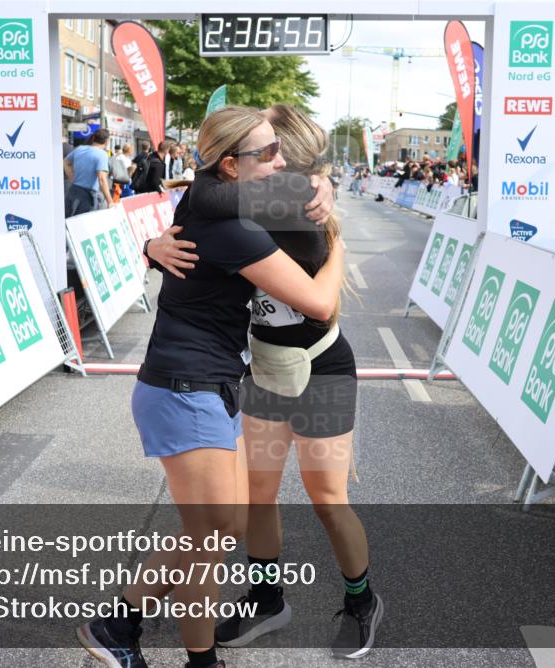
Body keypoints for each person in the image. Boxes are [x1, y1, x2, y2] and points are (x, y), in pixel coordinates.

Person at [76, 106, 343, 668]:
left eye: (281, 149)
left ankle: (136, 631)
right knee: (212, 536)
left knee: (221, 528)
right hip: (184, 388)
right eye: (267, 153)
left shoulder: (214, 196)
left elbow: (201, 200)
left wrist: (321, 186)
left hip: (211, 385)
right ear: (229, 164)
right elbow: (320, 302)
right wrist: (339, 244)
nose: (281, 160)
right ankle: (157, 643)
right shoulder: (233, 229)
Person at [175, 104, 382, 659]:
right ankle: (268, 599)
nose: (260, 155)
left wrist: (324, 189)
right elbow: (198, 198)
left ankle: (361, 600)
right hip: (264, 366)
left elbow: (201, 195)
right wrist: (153, 248)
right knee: (259, 496)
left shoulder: (290, 197)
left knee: (328, 499)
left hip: (321, 368)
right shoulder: (276, 193)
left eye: (267, 148)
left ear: (283, 159)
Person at [64, 128, 113, 216]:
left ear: (93, 138)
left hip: (73, 190)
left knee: (68, 222)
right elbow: (102, 179)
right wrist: (110, 201)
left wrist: (72, 178)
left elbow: (66, 162)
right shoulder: (102, 154)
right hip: (87, 195)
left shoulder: (80, 149)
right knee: (83, 225)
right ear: (106, 142)